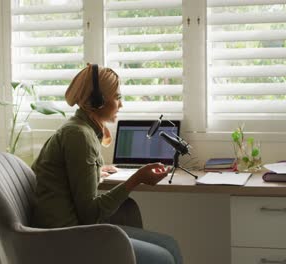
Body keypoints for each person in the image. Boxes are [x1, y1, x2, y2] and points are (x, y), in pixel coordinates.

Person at [31, 64, 183, 264]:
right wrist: (136, 179)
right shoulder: (79, 135)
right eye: (117, 97)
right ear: (98, 101)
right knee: (163, 258)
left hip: (73, 229)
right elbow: (91, 214)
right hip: (65, 238)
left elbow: (68, 180)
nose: (121, 105)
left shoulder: (81, 130)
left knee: (170, 244)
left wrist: (95, 170)